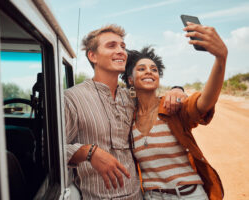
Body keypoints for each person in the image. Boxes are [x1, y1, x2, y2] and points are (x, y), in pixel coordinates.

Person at [64, 24, 187, 199]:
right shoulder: (71, 98)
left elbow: (156, 100)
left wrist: (177, 89)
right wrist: (88, 152)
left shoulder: (130, 98)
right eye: (111, 45)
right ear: (93, 56)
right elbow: (50, 151)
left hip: (138, 196)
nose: (121, 51)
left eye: (123, 46)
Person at [121, 22, 227, 200]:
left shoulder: (172, 107)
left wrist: (220, 59)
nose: (149, 72)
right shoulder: (127, 118)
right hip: (152, 197)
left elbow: (205, 102)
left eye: (154, 69)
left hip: (190, 195)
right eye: (141, 69)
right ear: (130, 80)